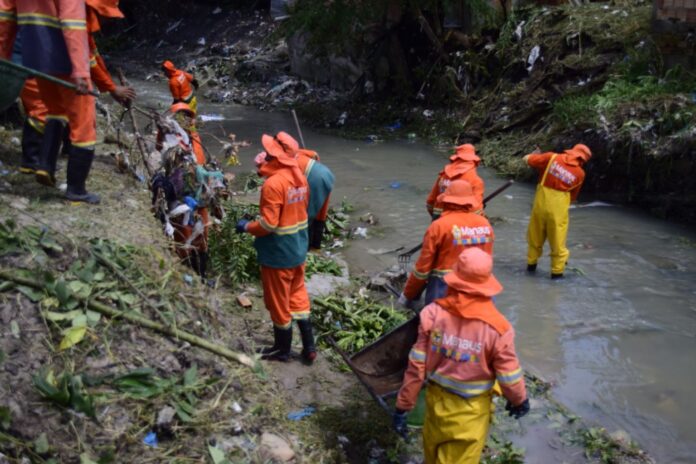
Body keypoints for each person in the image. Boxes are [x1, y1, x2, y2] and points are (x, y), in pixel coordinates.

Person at [393, 247, 529, 463]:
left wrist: (403, 406)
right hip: (470, 417)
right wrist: (519, 401)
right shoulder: (498, 329)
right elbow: (509, 376)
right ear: (486, 284)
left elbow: (416, 367)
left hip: (435, 409)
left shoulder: (432, 314)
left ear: (455, 279)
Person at [14, 0, 135, 177]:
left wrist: (110, 86)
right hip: (32, 61)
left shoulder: (80, 20)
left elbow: (93, 55)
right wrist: (111, 88)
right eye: (105, 15)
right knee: (45, 111)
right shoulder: (74, 16)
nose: (107, 21)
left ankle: (45, 164)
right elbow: (88, 60)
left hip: (41, 61)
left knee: (58, 111)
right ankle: (33, 163)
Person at [0, 0, 102, 203]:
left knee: (54, 111)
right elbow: (73, 24)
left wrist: (3, 55)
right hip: (65, 60)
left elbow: (5, 16)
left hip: (36, 59)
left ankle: (45, 166)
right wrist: (81, 70)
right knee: (84, 124)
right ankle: (76, 189)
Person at [235, 135, 316, 364]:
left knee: (279, 303)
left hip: (278, 254)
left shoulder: (274, 184)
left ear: (277, 158)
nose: (267, 156)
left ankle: (282, 349)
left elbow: (268, 225)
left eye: (269, 154)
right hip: (298, 250)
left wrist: (246, 227)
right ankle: (309, 347)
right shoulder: (299, 177)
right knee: (298, 297)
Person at [399, 180, 494, 308]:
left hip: (444, 288)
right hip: (479, 288)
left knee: (438, 325)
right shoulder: (485, 224)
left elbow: (422, 269)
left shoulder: (439, 226)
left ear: (446, 200)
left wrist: (408, 295)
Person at [524, 144, 591, 279]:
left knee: (535, 237)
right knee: (557, 242)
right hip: (558, 209)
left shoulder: (551, 157)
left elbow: (527, 159)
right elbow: (573, 197)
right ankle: (557, 275)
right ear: (582, 159)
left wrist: (534, 154)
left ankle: (531, 267)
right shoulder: (580, 174)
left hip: (540, 204)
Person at [275, 131, 335, 250]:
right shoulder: (297, 152)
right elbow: (315, 154)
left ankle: (305, 248)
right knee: (321, 213)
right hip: (325, 173)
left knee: (306, 215)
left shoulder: (281, 159)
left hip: (313, 179)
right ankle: (316, 247)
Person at [426, 144, 485, 220]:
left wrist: (435, 218)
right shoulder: (475, 180)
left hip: (439, 217)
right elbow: (477, 210)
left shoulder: (443, 175)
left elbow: (430, 202)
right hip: (462, 221)